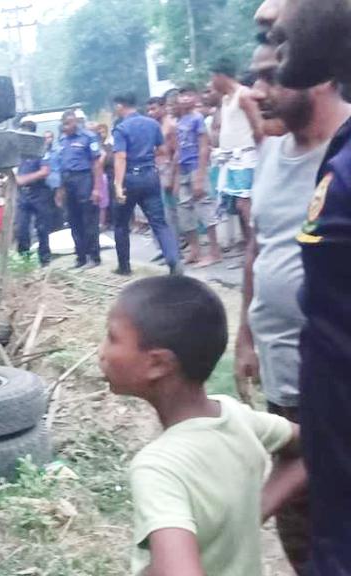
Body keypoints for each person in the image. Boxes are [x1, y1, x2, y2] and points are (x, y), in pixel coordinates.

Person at [99, 275, 305, 576]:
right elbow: (312, 446)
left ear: (158, 364)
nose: (102, 351)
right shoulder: (235, 416)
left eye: (112, 337)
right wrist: (251, 513)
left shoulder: (159, 468)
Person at [236, 40, 351, 575]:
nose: (257, 93)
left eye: (271, 78)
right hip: (284, 374)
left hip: (332, 377)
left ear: (319, 76)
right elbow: (257, 249)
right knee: (303, 534)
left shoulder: (344, 160)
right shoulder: (270, 157)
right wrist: (245, 335)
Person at [110, 92, 181, 276]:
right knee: (159, 223)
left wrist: (118, 184)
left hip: (130, 178)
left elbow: (120, 157)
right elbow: (162, 149)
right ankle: (173, 261)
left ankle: (124, 266)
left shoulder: (121, 128)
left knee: (121, 224)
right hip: (150, 176)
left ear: (120, 106)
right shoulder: (152, 124)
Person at [212, 56, 264, 245]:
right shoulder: (226, 99)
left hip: (246, 158)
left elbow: (258, 128)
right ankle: (249, 248)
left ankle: (257, 246)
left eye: (213, 78)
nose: (211, 83)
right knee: (237, 206)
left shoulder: (244, 95)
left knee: (245, 205)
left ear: (220, 76)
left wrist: (261, 156)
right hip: (231, 160)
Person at [174, 86, 223, 267]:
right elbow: (179, 150)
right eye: (181, 95)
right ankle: (195, 250)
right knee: (184, 209)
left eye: (188, 95)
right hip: (184, 168)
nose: (184, 99)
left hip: (196, 167)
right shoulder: (180, 121)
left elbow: (204, 147)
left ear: (194, 98)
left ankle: (215, 251)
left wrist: (201, 176)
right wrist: (176, 175)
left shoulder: (197, 119)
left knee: (205, 207)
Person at [58, 110, 104, 268]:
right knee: (73, 220)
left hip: (84, 179)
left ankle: (94, 257)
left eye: (68, 123)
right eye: (63, 124)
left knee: (89, 220)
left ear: (75, 123)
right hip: (68, 181)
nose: (65, 127)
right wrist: (61, 189)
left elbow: (96, 164)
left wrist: (97, 188)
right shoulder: (62, 139)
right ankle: (81, 257)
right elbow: (62, 165)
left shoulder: (88, 137)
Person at [14, 121, 54, 266]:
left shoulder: (40, 148)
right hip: (23, 195)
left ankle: (45, 261)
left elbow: (45, 171)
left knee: (42, 228)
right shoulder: (17, 151)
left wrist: (23, 179)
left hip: (39, 193)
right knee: (22, 229)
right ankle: (24, 261)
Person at [148, 96, 181, 247]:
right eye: (148, 109)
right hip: (156, 169)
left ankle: (173, 246)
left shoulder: (170, 126)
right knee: (158, 211)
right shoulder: (154, 126)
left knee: (169, 212)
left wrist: (174, 177)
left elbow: (176, 152)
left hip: (168, 169)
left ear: (162, 107)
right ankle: (164, 247)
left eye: (153, 108)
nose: (150, 112)